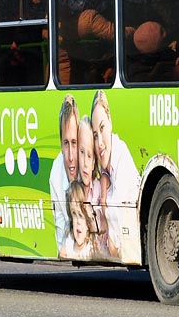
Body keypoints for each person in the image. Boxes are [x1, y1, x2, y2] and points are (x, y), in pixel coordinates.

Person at [91, 90, 140, 260]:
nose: (100, 143)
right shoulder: (106, 170)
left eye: (102, 128)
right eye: (95, 135)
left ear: (111, 122)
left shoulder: (121, 157)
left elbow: (114, 246)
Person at [48, 95, 79, 245]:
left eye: (75, 143)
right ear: (60, 145)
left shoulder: (94, 172)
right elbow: (61, 240)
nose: (71, 156)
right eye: (66, 144)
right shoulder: (56, 173)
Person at [60, 180, 97, 260]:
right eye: (74, 214)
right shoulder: (69, 242)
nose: (78, 222)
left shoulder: (91, 247)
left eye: (81, 215)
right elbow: (62, 254)